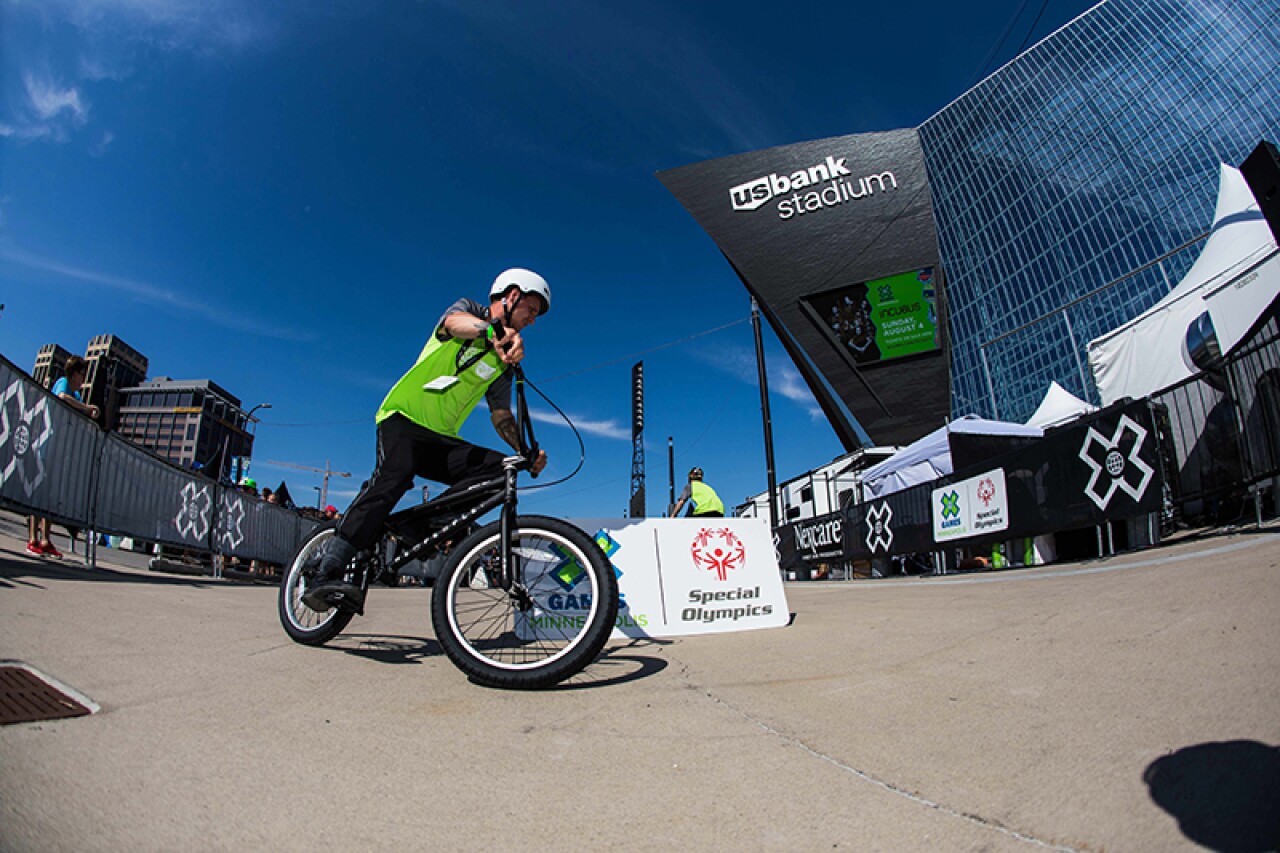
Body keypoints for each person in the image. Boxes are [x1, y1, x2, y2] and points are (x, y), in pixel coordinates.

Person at [304, 268, 551, 611]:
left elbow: (501, 415)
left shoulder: (503, 364)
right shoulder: (469, 313)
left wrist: (525, 450)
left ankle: (416, 528)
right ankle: (326, 569)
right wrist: (492, 330)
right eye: (532, 310)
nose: (533, 321)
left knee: (500, 471)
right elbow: (453, 324)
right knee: (394, 476)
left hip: (441, 439)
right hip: (402, 419)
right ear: (511, 296)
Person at [27, 356, 99, 558]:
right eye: (83, 373)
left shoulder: (76, 393)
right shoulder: (64, 382)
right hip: (46, 442)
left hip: (60, 447)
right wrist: (86, 408)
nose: (84, 377)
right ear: (75, 373)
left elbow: (81, 409)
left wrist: (91, 411)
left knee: (49, 494)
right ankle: (33, 538)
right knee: (39, 490)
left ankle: (45, 539)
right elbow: (60, 397)